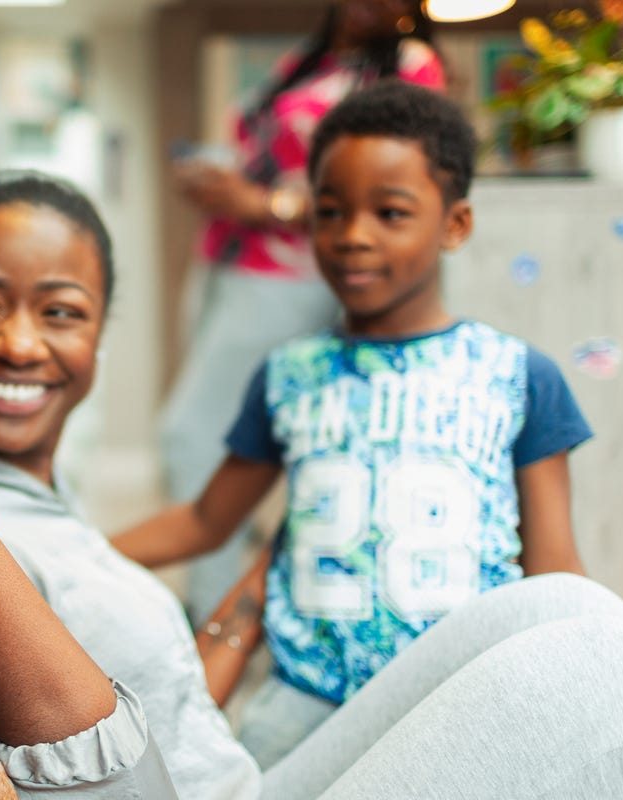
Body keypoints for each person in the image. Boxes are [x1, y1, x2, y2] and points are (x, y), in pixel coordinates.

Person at [0, 169, 623, 799]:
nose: (19, 343)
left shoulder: (34, 509)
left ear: (100, 333)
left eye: (61, 311)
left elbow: (167, 700)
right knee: (617, 682)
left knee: (562, 603)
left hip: (249, 781)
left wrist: (250, 598)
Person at [115, 80, 595, 763]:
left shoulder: (519, 376)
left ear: (455, 225)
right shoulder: (289, 374)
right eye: (331, 212)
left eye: (390, 213)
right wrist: (65, 554)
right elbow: (206, 522)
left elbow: (555, 569)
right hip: (303, 705)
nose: (352, 237)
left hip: (466, 695)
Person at [162, 0, 449, 625]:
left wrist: (267, 205)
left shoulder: (409, 66)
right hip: (226, 261)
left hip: (291, 273)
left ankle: (222, 620)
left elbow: (398, 184)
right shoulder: (307, 62)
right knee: (222, 442)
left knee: (191, 438)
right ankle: (237, 604)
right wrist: (220, 183)